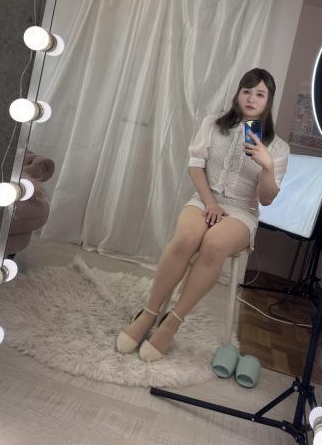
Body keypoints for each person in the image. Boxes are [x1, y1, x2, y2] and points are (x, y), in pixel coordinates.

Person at [117, 68, 290, 362]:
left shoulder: (278, 148)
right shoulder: (212, 124)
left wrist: (268, 166)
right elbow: (195, 166)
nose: (251, 98)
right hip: (204, 199)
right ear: (238, 94)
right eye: (247, 91)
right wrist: (210, 203)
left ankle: (172, 322)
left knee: (214, 245)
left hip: (242, 212)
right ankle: (148, 313)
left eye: (260, 94)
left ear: (269, 100)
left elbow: (266, 199)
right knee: (187, 237)